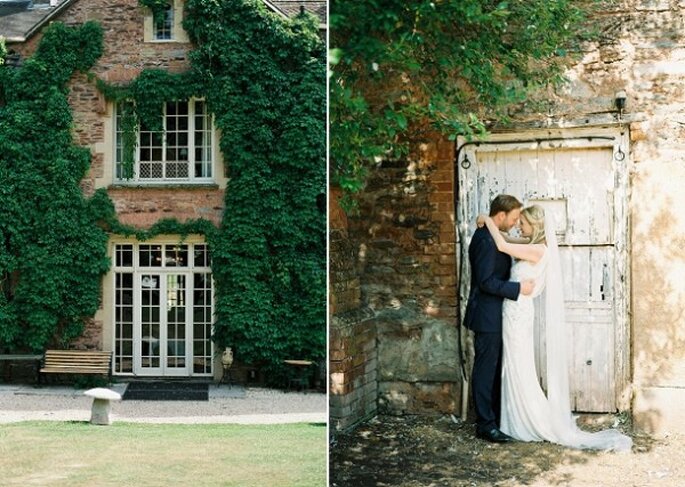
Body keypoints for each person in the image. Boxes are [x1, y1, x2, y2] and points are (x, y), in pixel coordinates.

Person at [479, 204, 632, 451]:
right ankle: (511, 419)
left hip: (517, 314)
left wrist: (487, 219)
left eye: (524, 222)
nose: (519, 225)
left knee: (519, 366)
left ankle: (528, 420)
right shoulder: (534, 247)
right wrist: (492, 225)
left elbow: (503, 245)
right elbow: (506, 238)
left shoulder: (539, 250)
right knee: (512, 365)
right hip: (513, 312)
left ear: (536, 225)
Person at [463, 194, 535, 443]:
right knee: (485, 370)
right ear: (501, 215)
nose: (516, 223)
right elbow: (485, 282)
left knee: (493, 370)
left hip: (496, 315)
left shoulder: (494, 236)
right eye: (514, 218)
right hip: (486, 316)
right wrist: (517, 290)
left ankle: (493, 419)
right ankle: (485, 425)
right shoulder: (484, 241)